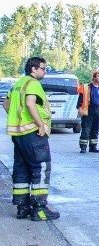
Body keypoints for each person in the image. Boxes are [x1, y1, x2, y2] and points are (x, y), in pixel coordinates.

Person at [3, 57, 60, 221]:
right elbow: (30, 103)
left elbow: (6, 104)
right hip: (33, 133)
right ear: (33, 69)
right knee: (41, 168)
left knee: (21, 169)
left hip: (18, 134)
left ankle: (22, 208)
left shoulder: (18, 83)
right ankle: (40, 209)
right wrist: (40, 124)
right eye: (43, 68)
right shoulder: (33, 84)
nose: (45, 71)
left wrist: (19, 119)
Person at [77, 71, 99, 153]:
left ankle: (93, 147)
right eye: (98, 76)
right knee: (86, 129)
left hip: (98, 111)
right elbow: (80, 99)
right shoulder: (86, 87)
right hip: (88, 110)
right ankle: (83, 147)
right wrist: (79, 108)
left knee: (95, 130)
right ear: (94, 78)